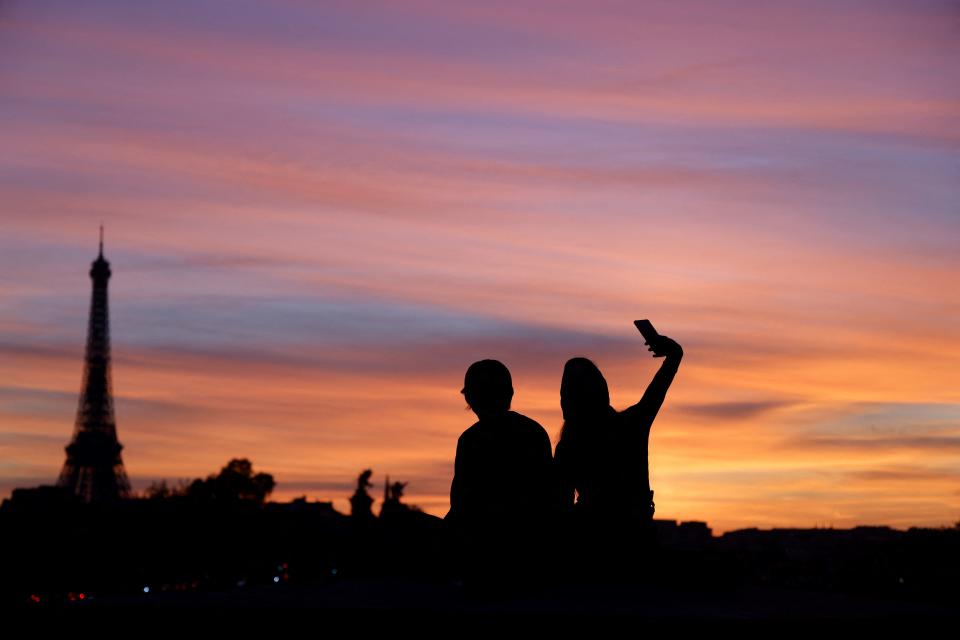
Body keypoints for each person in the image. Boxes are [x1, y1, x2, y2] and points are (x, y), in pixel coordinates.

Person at [554, 325, 683, 577]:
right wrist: (674, 353)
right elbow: (660, 386)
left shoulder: (569, 445)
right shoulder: (632, 423)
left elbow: (560, 505)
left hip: (589, 547)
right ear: (603, 390)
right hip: (635, 541)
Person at [446, 359, 556, 587]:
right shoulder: (532, 432)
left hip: (502, 552)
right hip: (526, 551)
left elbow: (462, 504)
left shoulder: (472, 440)